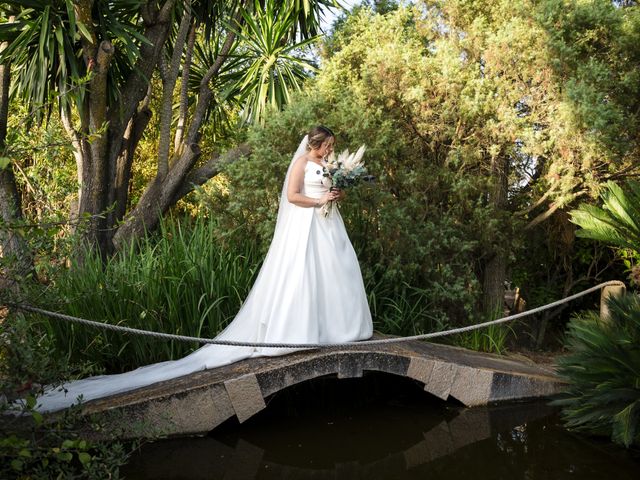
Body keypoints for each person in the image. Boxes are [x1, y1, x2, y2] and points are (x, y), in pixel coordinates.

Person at [33, 126, 373, 412]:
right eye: (327, 145)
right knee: (303, 277)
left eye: (332, 147)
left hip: (328, 225)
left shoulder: (328, 165)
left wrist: (334, 195)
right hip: (306, 226)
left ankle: (335, 328)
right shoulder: (301, 162)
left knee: (334, 274)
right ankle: (298, 331)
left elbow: (327, 191)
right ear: (315, 144)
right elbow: (292, 196)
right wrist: (318, 201)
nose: (331, 150)